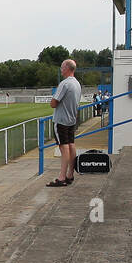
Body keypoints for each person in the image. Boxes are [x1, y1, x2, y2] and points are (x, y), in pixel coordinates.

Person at [46, 59, 81, 187]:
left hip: (61, 120)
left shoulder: (64, 84)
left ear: (67, 68)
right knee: (71, 145)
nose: (61, 70)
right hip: (72, 119)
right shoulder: (77, 84)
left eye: (62, 67)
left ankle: (62, 177)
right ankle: (70, 174)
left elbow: (53, 103)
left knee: (64, 147)